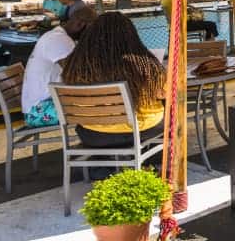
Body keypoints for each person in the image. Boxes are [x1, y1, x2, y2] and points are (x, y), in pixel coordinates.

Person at [61, 11, 166, 161]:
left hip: (93, 134)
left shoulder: (75, 67)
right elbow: (164, 93)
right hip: (140, 130)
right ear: (131, 36)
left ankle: (104, 165)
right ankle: (155, 160)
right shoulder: (145, 65)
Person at [21, 6, 98, 127]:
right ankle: (101, 142)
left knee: (105, 104)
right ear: (80, 24)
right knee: (104, 107)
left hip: (46, 103)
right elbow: (78, 73)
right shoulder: (59, 40)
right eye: (91, 31)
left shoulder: (58, 36)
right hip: (40, 111)